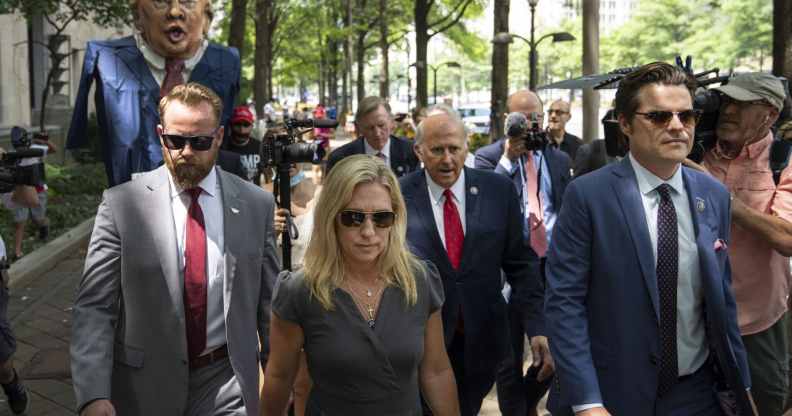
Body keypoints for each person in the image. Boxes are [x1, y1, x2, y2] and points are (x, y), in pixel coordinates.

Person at [545, 62, 753, 416]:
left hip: (697, 394)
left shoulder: (713, 196)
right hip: (612, 395)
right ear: (624, 124)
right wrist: (588, 403)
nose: (676, 126)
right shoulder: (588, 196)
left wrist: (742, 387)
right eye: (658, 117)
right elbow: (565, 304)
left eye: (686, 116)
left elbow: (721, 302)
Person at [70, 83, 280, 416]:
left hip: (226, 382)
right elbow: (95, 306)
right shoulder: (121, 205)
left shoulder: (256, 205)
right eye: (175, 140)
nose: (186, 151)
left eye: (200, 142)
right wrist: (93, 393)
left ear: (220, 136)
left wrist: (281, 383)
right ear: (160, 134)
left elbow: (270, 308)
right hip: (144, 385)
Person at [261, 155, 459, 415]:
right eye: (353, 218)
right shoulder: (301, 289)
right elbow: (280, 377)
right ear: (331, 218)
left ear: (395, 219)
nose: (368, 231)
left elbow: (436, 371)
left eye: (382, 218)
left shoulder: (418, 281)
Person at [400, 111, 544, 416]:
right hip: (419, 342)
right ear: (419, 151)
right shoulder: (398, 195)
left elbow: (521, 262)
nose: (448, 159)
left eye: (455, 149)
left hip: (482, 341)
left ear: (468, 147)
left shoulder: (497, 191)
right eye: (437, 150)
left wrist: (537, 325)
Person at [689, 72, 790, 416]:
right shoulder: (697, 150)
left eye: (741, 104)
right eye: (726, 101)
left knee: (763, 407)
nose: (728, 111)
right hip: (693, 321)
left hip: (756, 324)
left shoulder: (784, 161)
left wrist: (718, 196)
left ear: (770, 114)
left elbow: (786, 237)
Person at [66, 0, 241, 186]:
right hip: (132, 203)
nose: (175, 12)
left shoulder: (226, 64)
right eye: (160, 1)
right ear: (137, 16)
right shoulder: (109, 61)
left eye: (187, 2)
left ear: (206, 18)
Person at [474, 89, 570, 416]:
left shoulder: (558, 159)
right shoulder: (487, 158)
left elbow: (565, 210)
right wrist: (508, 160)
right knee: (508, 356)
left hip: (549, 267)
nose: (530, 125)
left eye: (535, 118)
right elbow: (482, 205)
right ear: (507, 120)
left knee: (557, 350)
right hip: (508, 271)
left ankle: (526, 403)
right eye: (522, 118)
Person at [326, 96, 420, 178]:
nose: (377, 133)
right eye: (369, 128)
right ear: (360, 128)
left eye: (381, 125)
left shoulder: (411, 152)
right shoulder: (341, 159)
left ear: (392, 122)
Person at [226, 105, 262, 183]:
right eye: (237, 124)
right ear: (231, 125)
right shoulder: (222, 147)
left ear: (252, 126)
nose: (242, 130)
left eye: (246, 125)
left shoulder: (259, 147)